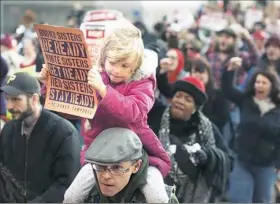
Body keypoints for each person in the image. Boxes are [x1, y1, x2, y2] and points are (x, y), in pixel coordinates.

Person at [39, 22, 171, 203]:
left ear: (135, 66)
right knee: (71, 197)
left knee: (158, 198)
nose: (117, 70)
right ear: (103, 59)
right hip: (99, 154)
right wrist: (49, 84)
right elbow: (75, 109)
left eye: (125, 65)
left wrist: (104, 91)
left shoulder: (142, 81)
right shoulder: (97, 78)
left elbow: (135, 112)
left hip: (138, 152)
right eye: (113, 62)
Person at [148, 76, 233, 202]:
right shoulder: (156, 115)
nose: (180, 101)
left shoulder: (207, 129)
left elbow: (229, 161)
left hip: (192, 196)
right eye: (178, 96)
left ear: (195, 108)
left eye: (188, 99)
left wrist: (209, 155)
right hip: (154, 190)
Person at [0, 72, 81, 202]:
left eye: (15, 99)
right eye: (7, 99)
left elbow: (66, 185)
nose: (9, 106)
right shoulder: (8, 130)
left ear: (34, 99)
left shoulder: (64, 133)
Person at [222, 57, 280, 203]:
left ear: (272, 87)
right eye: (257, 82)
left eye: (264, 83)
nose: (259, 85)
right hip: (242, 159)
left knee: (262, 200)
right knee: (240, 198)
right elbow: (228, 90)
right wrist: (230, 70)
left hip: (267, 164)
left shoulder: (277, 110)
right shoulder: (246, 101)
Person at [69, 127, 177, 203]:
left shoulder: (160, 196)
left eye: (116, 168)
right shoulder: (86, 195)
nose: (106, 176)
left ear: (136, 166)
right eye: (100, 166)